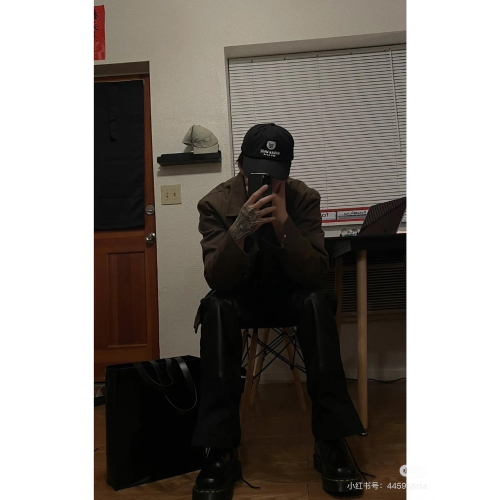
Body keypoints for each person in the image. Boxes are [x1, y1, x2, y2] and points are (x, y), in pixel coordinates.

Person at [191, 123, 366, 500]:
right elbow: (216, 279)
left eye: (276, 173)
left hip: (293, 296)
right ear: (241, 165)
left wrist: (285, 223)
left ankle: (332, 440)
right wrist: (240, 230)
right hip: (239, 296)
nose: (268, 181)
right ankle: (220, 448)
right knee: (215, 308)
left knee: (319, 301)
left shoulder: (304, 199)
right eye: (258, 172)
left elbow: (315, 273)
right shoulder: (215, 203)